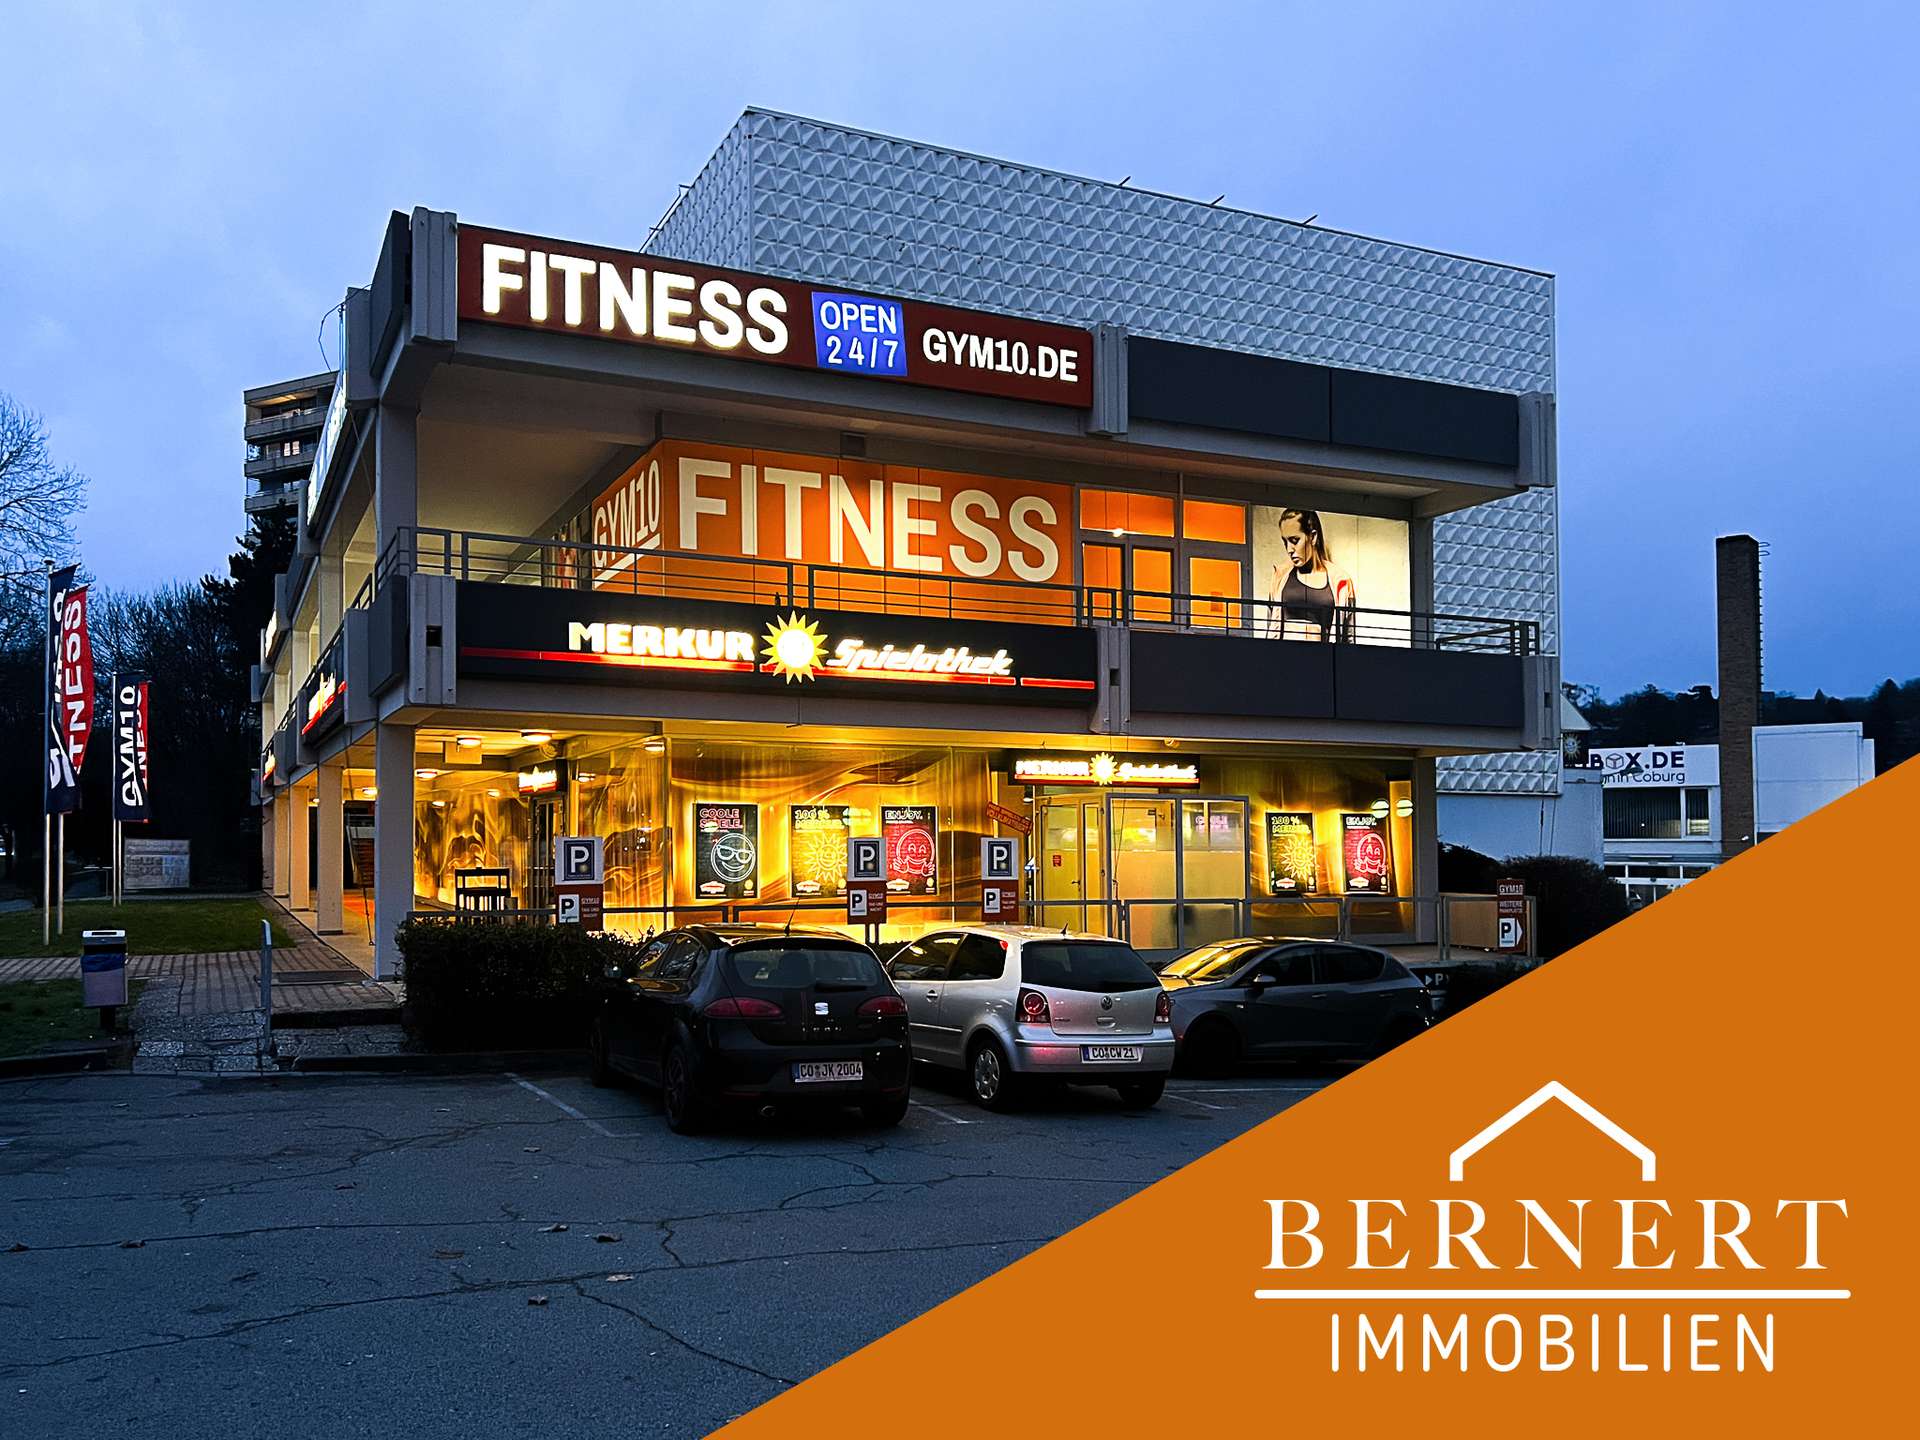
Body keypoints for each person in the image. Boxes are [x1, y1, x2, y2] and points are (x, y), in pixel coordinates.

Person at [1264, 508, 1357, 642]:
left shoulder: (1341, 581)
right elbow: (1271, 627)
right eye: (1285, 542)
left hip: (1324, 654)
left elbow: (1349, 637)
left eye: (1294, 540)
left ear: (1313, 537)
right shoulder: (1280, 576)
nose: (1289, 549)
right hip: (1284, 653)